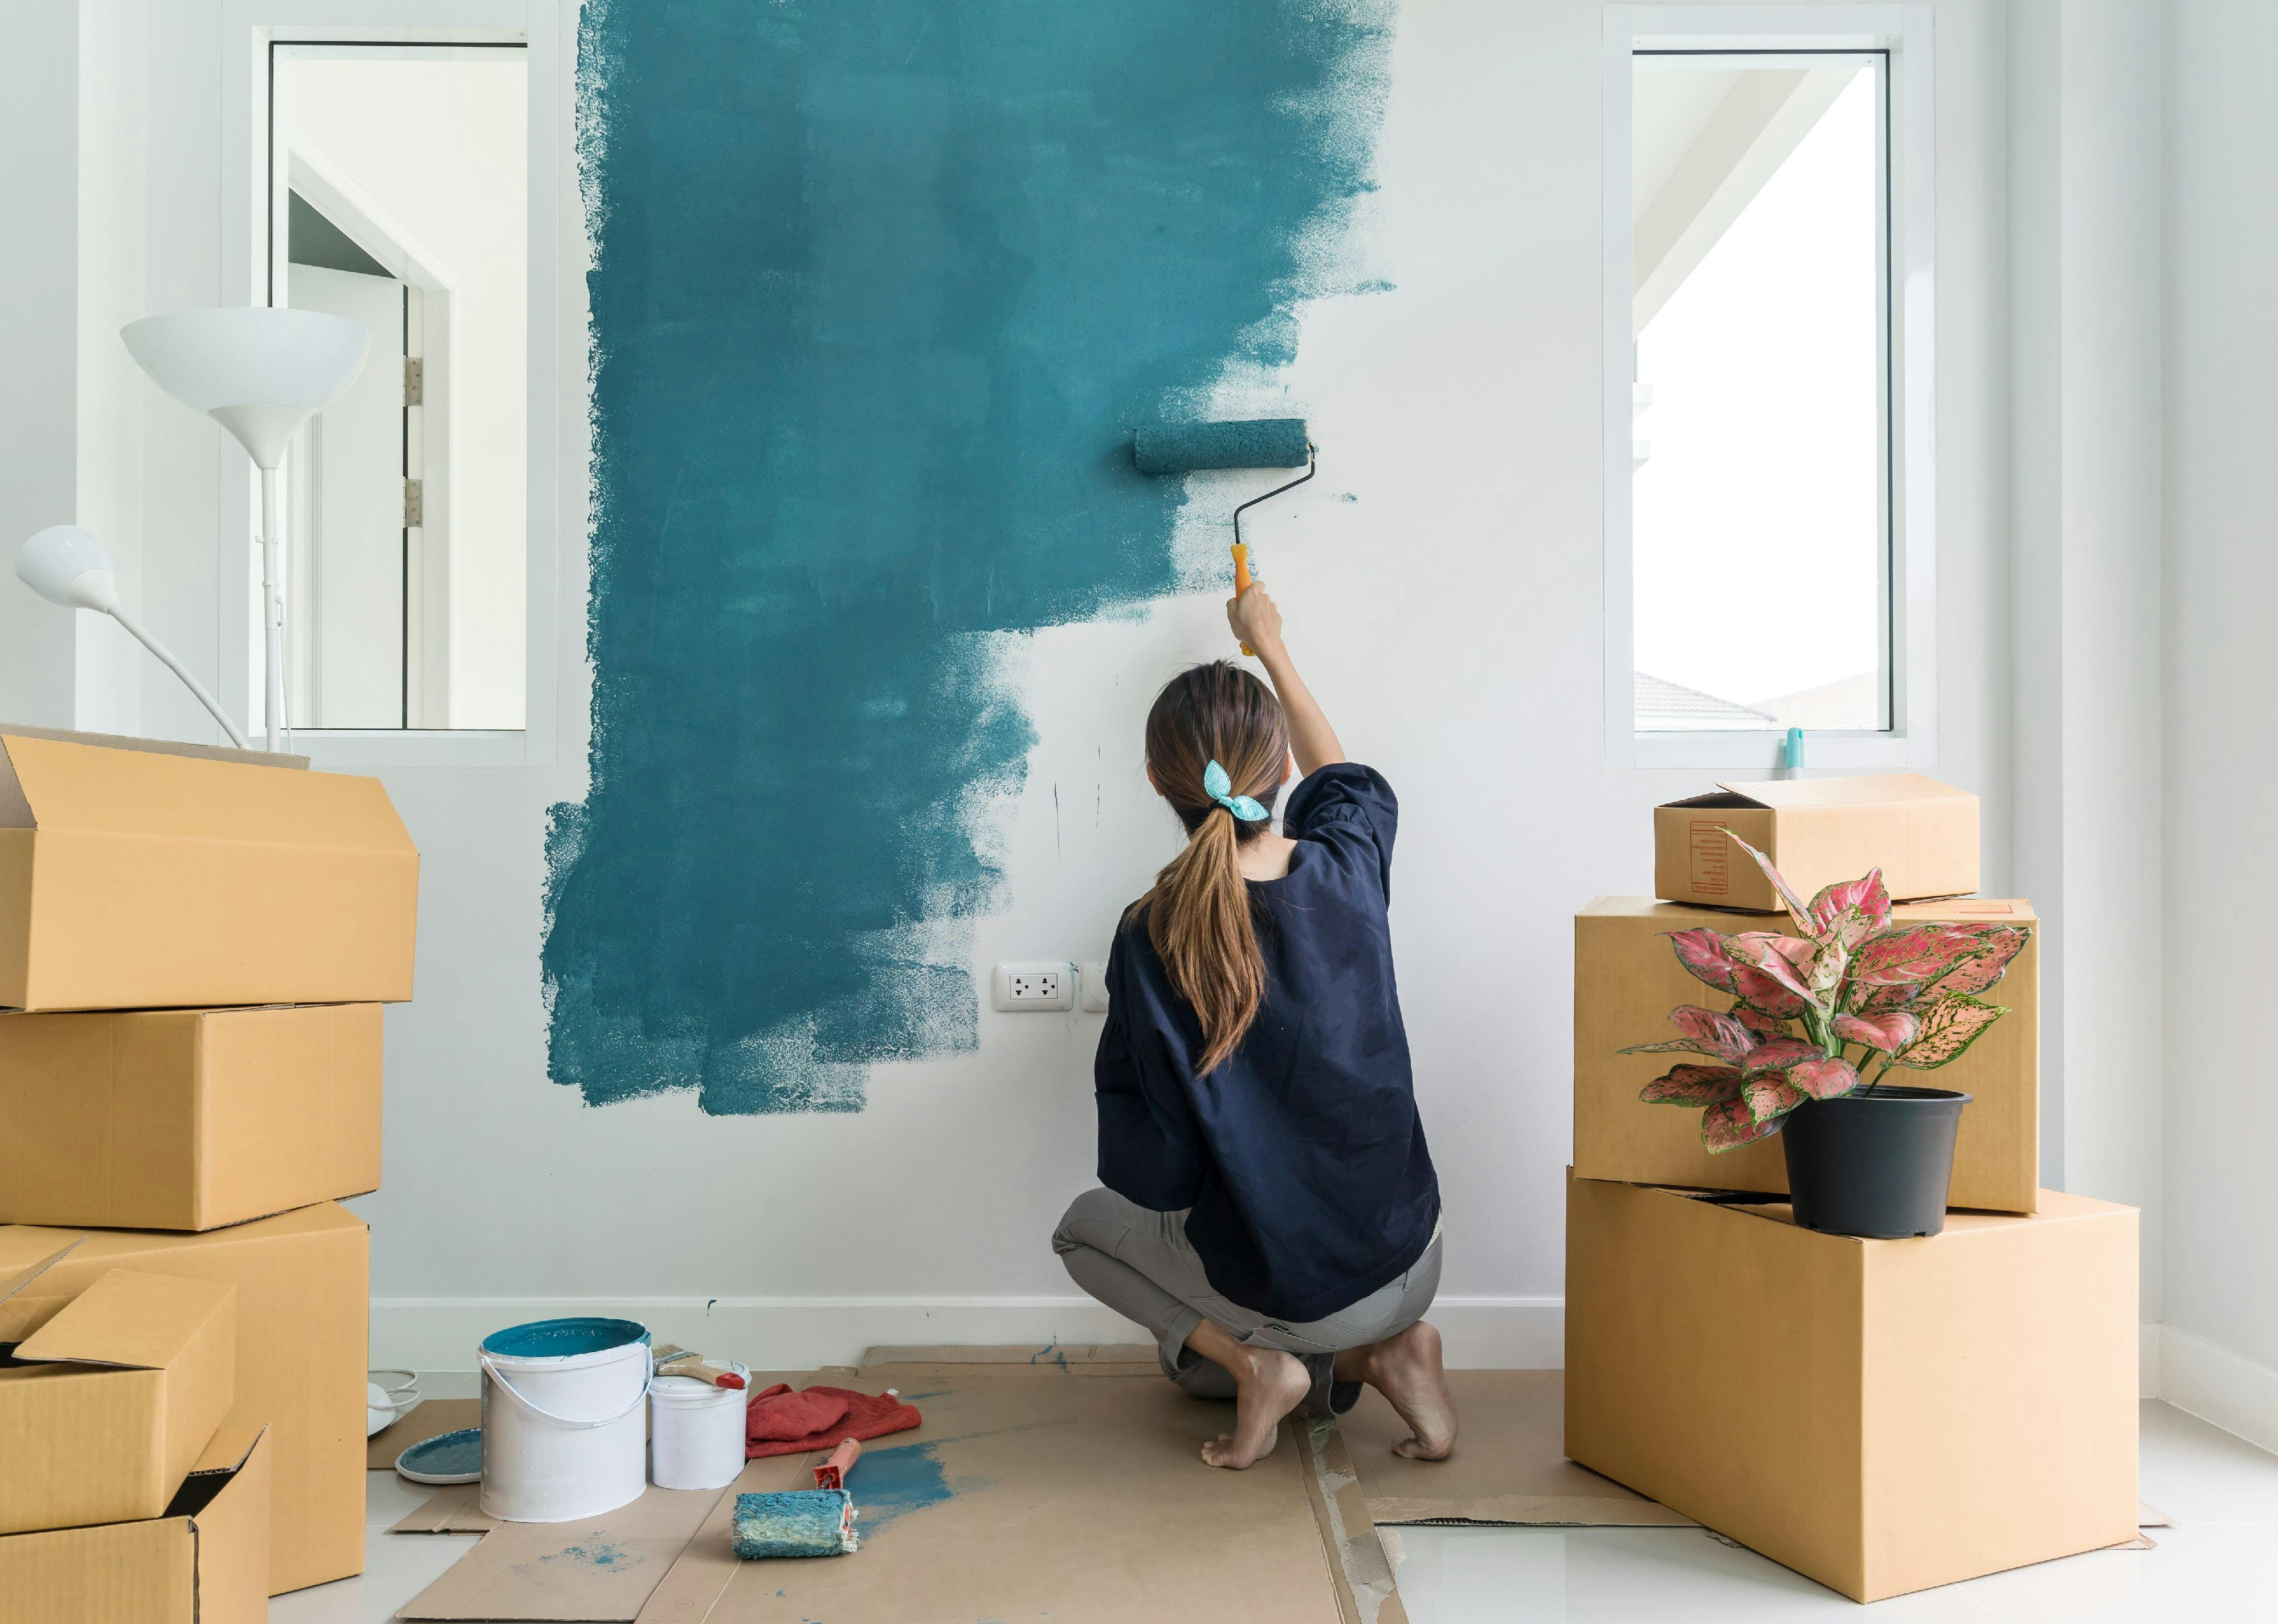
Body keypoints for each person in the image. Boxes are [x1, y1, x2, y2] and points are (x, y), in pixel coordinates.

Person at [1052, 584, 1454, 1470]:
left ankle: (1260, 1363)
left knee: (1085, 1233)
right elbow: (1343, 778)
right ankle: (1387, 1348)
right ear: (1278, 773)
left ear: (1157, 784)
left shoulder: (1146, 933)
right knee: (1225, 1330)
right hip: (1414, 1256)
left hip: (1307, 1291)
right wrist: (1268, 643)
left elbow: (1155, 1173)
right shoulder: (1347, 868)